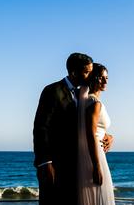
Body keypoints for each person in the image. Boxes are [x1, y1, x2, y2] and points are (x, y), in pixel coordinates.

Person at [33, 53, 93, 205]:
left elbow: (87, 124)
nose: (89, 76)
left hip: (76, 165)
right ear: (73, 72)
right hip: (54, 165)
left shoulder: (84, 94)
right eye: (86, 72)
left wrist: (105, 136)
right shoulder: (53, 91)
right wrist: (45, 163)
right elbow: (41, 127)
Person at [77, 63, 115, 205]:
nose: (105, 81)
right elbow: (90, 134)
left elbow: (96, 130)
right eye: (101, 77)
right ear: (93, 78)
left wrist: (108, 136)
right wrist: (96, 166)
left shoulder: (87, 101)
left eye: (106, 78)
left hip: (88, 154)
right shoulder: (95, 103)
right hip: (95, 155)